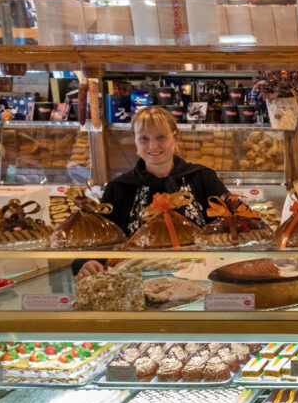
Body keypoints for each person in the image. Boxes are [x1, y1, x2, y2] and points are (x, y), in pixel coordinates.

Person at [75, 105, 228, 277]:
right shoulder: (119, 188)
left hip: (199, 278)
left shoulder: (202, 178)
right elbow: (99, 239)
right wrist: (88, 261)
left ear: (176, 137)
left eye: (161, 137)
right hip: (137, 284)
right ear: (135, 140)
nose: (153, 146)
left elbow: (232, 226)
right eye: (144, 138)